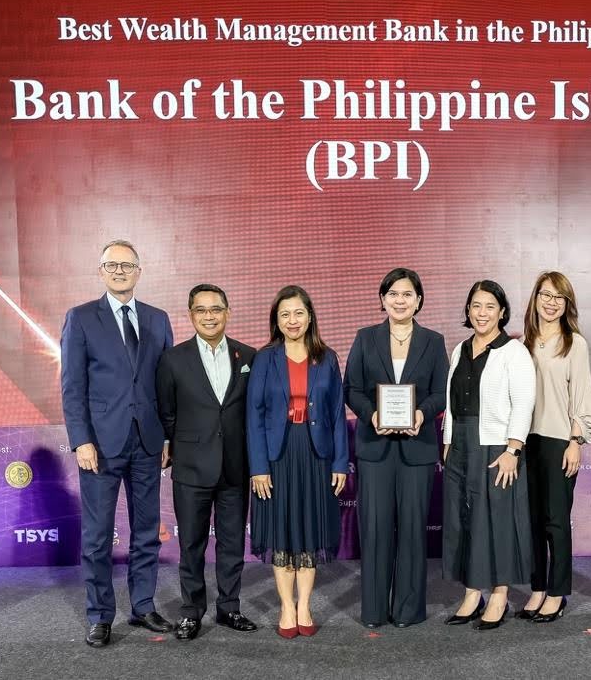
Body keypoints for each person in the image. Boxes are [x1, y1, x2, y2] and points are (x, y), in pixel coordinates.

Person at [60, 239, 174, 648]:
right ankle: (100, 615)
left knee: (146, 531)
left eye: (127, 265)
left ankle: (143, 607)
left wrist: (167, 435)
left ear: (140, 271)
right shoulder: (81, 318)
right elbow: (72, 387)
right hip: (100, 446)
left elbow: (166, 385)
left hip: (147, 441)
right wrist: (81, 441)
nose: (120, 271)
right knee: (97, 535)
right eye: (112, 265)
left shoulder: (158, 319)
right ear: (101, 271)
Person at [344, 268, 449, 629]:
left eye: (407, 294)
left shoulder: (434, 342)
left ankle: (408, 610)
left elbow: (440, 392)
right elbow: (352, 389)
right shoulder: (365, 337)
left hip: (417, 450)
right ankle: (373, 609)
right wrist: (372, 415)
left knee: (412, 530)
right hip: (375, 448)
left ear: (419, 300)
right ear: (382, 300)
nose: (400, 301)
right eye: (393, 294)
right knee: (373, 529)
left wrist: (422, 413)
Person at [155, 284, 258, 641]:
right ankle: (191, 611)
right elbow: (166, 412)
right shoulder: (172, 359)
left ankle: (230, 608)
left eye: (216, 309)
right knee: (192, 545)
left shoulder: (248, 356)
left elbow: (252, 411)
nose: (209, 316)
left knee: (232, 543)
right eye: (201, 310)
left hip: (234, 466)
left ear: (228, 312)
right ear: (191, 315)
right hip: (191, 467)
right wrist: (177, 444)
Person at [247, 285, 348, 639]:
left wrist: (339, 463)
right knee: (283, 531)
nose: (292, 321)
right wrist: (258, 466)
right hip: (277, 456)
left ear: (310, 317)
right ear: (277, 319)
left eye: (299, 313)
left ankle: (304, 605)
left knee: (308, 531)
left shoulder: (328, 357)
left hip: (316, 454)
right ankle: (286, 608)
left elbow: (337, 415)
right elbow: (254, 415)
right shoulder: (265, 358)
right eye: (285, 314)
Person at [442, 280, 536, 631]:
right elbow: (452, 404)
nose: (482, 313)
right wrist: (448, 440)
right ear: (467, 310)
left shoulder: (513, 351)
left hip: (497, 446)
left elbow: (523, 404)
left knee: (495, 519)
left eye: (489, 307)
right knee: (462, 518)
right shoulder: (459, 350)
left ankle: (498, 594)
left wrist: (514, 448)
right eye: (476, 306)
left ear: (501, 311)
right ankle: (471, 593)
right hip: (461, 445)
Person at [518, 271, 591, 623]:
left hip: (558, 441)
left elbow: (583, 396)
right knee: (532, 521)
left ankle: (558, 591)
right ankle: (538, 587)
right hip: (525, 442)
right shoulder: (521, 342)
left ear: (567, 304)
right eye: (545, 295)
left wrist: (576, 441)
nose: (551, 303)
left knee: (555, 521)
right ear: (535, 298)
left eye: (558, 297)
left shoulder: (574, 344)